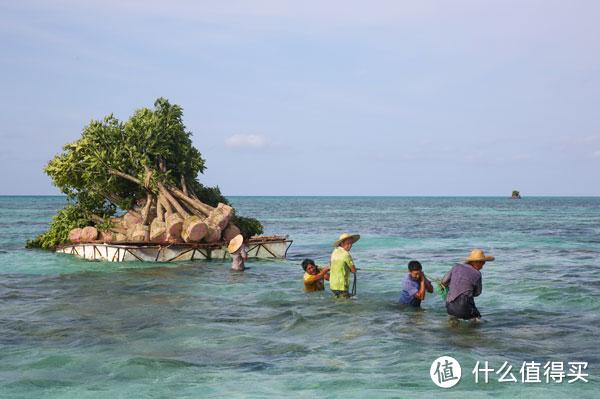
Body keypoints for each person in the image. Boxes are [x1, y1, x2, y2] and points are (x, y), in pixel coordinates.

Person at [441, 249, 494, 320]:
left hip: (450, 306)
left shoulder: (456, 267)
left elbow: (444, 282)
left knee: (454, 321)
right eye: (483, 263)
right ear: (476, 262)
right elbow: (477, 293)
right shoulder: (477, 274)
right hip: (464, 306)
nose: (483, 266)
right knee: (477, 319)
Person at [329, 233, 359, 298]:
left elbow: (330, 264)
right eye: (348, 243)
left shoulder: (334, 251)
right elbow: (353, 270)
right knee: (344, 302)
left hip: (333, 285)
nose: (350, 246)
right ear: (342, 243)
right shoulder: (346, 254)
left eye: (351, 243)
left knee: (339, 299)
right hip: (341, 286)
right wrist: (354, 269)